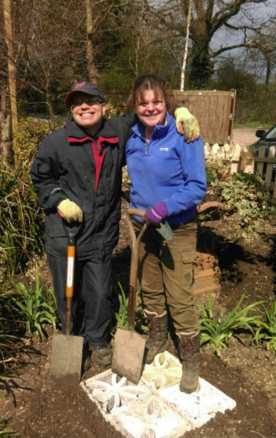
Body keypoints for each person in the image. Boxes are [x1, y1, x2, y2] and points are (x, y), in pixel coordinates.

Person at [30, 80, 200, 374]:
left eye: (92, 101)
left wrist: (182, 112)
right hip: (65, 233)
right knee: (67, 293)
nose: (85, 106)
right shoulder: (56, 142)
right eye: (78, 103)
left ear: (103, 106)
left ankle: (97, 341)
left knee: (99, 292)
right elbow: (41, 178)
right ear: (71, 110)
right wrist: (57, 200)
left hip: (99, 234)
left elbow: (150, 111)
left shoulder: (118, 132)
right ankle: (74, 337)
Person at [125, 74, 207, 393]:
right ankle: (157, 339)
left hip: (177, 227)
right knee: (151, 289)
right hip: (142, 227)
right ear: (135, 105)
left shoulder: (184, 134)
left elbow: (197, 187)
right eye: (143, 103)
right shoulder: (131, 136)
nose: (150, 108)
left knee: (180, 296)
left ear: (166, 102)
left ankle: (191, 361)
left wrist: (166, 206)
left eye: (156, 101)